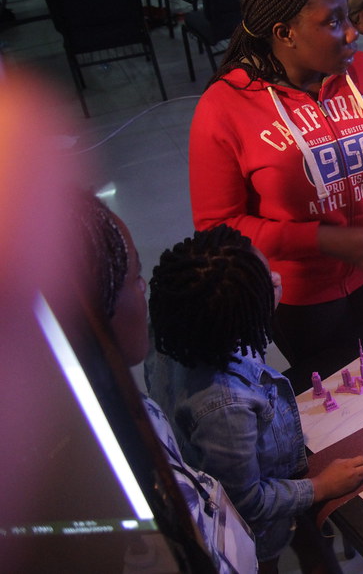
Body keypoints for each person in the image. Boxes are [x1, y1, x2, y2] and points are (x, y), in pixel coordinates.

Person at [189, 0, 363, 367]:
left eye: (348, 17)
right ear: (284, 32)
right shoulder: (224, 107)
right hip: (299, 299)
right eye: (333, 22)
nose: (352, 34)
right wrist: (320, 238)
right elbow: (217, 228)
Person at [146, 225, 363, 572]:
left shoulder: (181, 330)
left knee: (313, 546)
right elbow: (247, 503)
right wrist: (321, 487)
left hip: (269, 480)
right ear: (240, 320)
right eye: (267, 281)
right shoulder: (225, 407)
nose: (278, 277)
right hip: (257, 529)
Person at [73, 193, 257, 573]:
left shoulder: (162, 351)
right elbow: (247, 494)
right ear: (90, 311)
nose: (144, 290)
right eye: (134, 277)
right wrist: (314, 488)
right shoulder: (224, 407)